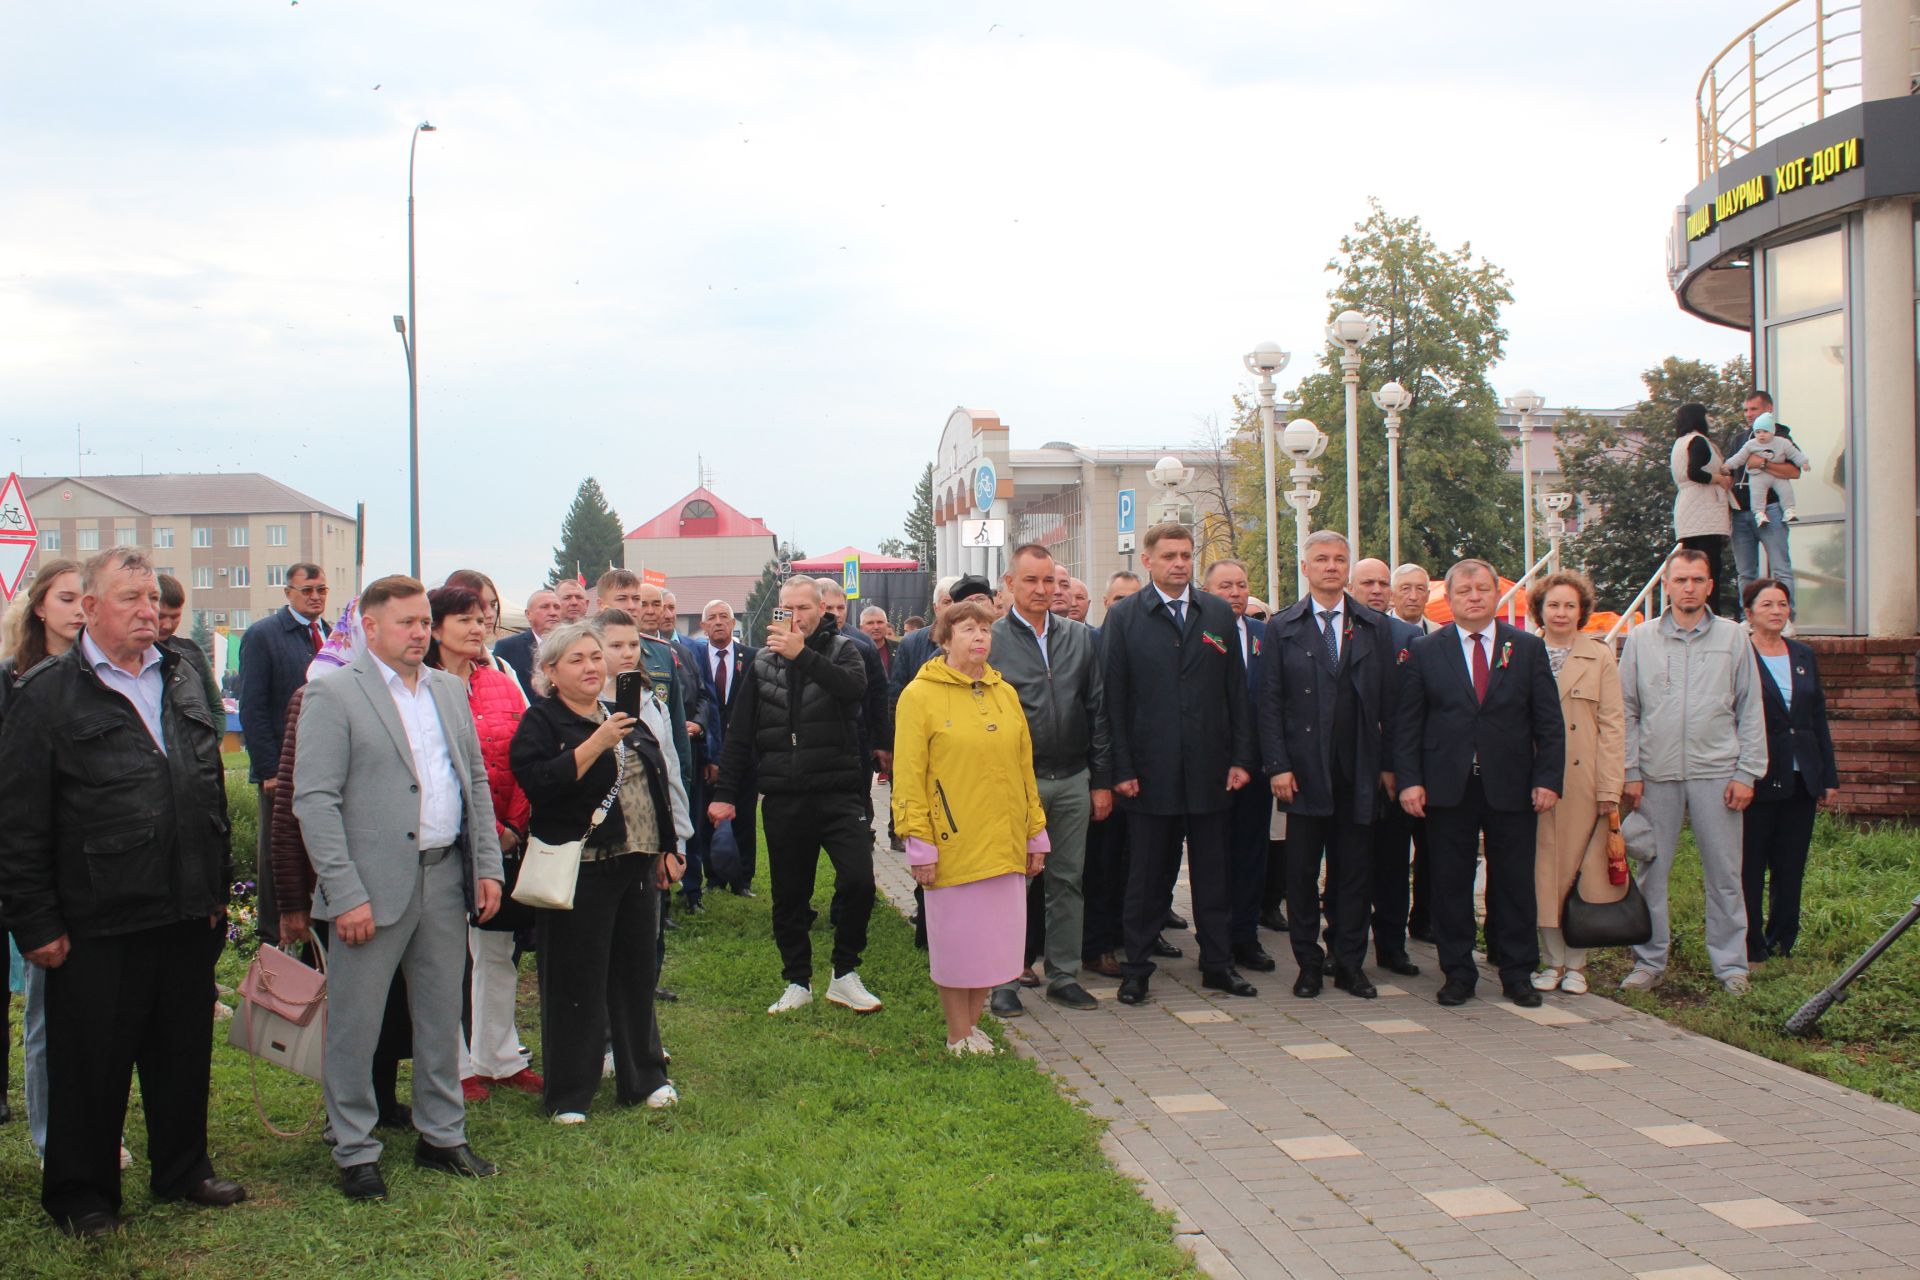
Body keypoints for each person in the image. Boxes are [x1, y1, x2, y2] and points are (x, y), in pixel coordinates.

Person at [0, 549, 246, 1236]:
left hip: (186, 905)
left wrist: (217, 888)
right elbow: (18, 821)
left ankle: (183, 1168)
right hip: (97, 916)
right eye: (131, 598)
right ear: (91, 608)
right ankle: (82, 1194)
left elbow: (205, 788)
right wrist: (36, 921)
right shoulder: (47, 692)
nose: (149, 609)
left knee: (181, 1050)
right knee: (91, 1066)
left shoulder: (183, 673)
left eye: (153, 597)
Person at [291, 575, 505, 1201]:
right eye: (406, 623)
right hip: (368, 891)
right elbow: (315, 802)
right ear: (372, 627)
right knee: (356, 1024)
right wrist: (345, 892)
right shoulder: (333, 695)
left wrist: (485, 866)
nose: (418, 633)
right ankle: (353, 1146)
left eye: (422, 622)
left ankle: (441, 1134)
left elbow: (475, 784)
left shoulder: (445, 689)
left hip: (443, 878)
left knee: (441, 1016)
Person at [511, 620, 687, 1121]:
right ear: (550, 672)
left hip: (636, 865)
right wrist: (595, 743)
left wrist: (668, 848)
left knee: (634, 976)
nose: (591, 667)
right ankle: (569, 1093)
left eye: (595, 657)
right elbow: (540, 782)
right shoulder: (542, 722)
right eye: (577, 660)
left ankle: (645, 1078)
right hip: (580, 868)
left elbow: (656, 782)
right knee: (575, 981)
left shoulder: (622, 713)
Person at [273, 604, 418, 1134]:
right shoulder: (320, 692)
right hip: (339, 878)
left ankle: (381, 1097)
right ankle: (347, 1114)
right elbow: (295, 798)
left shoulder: (412, 693)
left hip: (402, 875)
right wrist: (291, 897)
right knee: (356, 1006)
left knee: (394, 1003)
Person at [1395, 558, 1564, 1009]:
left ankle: (1516, 972)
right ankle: (1458, 972)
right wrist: (1409, 781)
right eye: (1464, 590)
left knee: (1512, 882)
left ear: (1496, 596)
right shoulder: (1426, 650)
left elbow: (1548, 722)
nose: (1474, 597)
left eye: (1482, 589)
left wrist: (1548, 778)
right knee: (1449, 882)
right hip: (1447, 786)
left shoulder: (1526, 648)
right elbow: (1408, 723)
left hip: (1512, 784)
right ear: (1448, 599)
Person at [709, 577, 882, 1015]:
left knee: (860, 881)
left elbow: (852, 690)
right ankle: (796, 980)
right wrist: (725, 793)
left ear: (822, 608)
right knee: (790, 894)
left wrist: (801, 654)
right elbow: (740, 734)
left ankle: (845, 973)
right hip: (785, 795)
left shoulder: (845, 650)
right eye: (788, 609)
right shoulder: (763, 663)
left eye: (804, 608)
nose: (796, 616)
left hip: (840, 791)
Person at [1102, 523, 1258, 1005]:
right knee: (1147, 878)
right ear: (1147, 561)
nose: (1179, 563)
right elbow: (1113, 701)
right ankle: (1137, 969)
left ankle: (1217, 965)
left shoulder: (1215, 612)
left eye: (1186, 555)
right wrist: (1121, 768)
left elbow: (1236, 691)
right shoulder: (1127, 617)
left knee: (1214, 876)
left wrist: (1241, 757)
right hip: (1150, 775)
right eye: (1169, 555)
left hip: (1211, 771)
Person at [895, 594, 1049, 1052]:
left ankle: (974, 1025)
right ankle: (956, 1033)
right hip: (952, 843)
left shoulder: (1005, 694)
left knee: (993, 946)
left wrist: (1034, 832)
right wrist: (918, 842)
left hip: (1003, 842)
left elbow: (1025, 768)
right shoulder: (919, 695)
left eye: (985, 629)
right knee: (957, 947)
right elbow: (907, 774)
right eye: (967, 629)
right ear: (944, 639)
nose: (979, 636)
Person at [1617, 549, 1767, 995]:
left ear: (1708, 585)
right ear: (1667, 584)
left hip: (1717, 773)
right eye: (1680, 580)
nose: (1688, 588)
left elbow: (1751, 708)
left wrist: (1747, 772)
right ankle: (1648, 961)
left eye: (1697, 580)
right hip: (1655, 774)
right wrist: (1630, 769)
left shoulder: (1733, 638)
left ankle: (1731, 966)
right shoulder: (1641, 638)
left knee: (1724, 873)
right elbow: (1626, 710)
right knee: (1651, 871)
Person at [1260, 533, 1398, 1000]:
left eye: (1340, 559)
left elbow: (1390, 705)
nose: (1331, 567)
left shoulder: (1374, 626)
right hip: (1302, 772)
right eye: (1322, 559)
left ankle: (1350, 961)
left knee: (1353, 871)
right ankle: (1308, 964)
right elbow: (1270, 701)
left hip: (1358, 768)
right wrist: (1277, 765)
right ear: (1305, 566)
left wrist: (1388, 765)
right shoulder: (1283, 627)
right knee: (1300, 874)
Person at [424, 584, 542, 1103]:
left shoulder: (499, 682)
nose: (478, 627)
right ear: (434, 627)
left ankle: (498, 1054)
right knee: (445, 956)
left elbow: (525, 753)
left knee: (498, 949)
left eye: (483, 617)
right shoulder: (419, 687)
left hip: (503, 837)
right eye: (464, 619)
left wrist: (513, 824)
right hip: (446, 840)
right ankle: (454, 1064)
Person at [986, 545, 1111, 1016]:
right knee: (1011, 883)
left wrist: (1100, 780)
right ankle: (1004, 979)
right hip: (1016, 784)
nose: (1043, 590)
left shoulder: (1080, 638)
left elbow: (1097, 711)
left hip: (1074, 778)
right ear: (1011, 585)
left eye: (1051, 582)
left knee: (1068, 880)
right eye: (1032, 581)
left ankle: (1064, 975)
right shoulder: (992, 640)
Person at [0, 559, 87, 1147]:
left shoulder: (100, 675)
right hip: (33, 862)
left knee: (91, 1012)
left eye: (86, 599)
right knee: (43, 1009)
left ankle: (92, 1127)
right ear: (38, 608)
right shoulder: (11, 680)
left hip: (92, 865)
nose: (80, 610)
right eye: (66, 599)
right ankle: (51, 1135)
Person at [1527, 572, 1626, 995]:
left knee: (1580, 872)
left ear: (1581, 610)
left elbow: (1613, 724)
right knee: (1541, 871)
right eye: (1553, 605)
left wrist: (1610, 788)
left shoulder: (1598, 655)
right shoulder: (1523, 649)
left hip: (1583, 780)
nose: (1561, 613)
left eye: (1569, 605)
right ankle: (1550, 961)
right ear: (1540, 610)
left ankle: (1578, 964)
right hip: (1532, 779)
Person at [1741, 579, 1839, 960]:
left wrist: (1828, 777)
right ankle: (1750, 946)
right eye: (1768, 604)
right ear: (1749, 614)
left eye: (1782, 604)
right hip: (1758, 776)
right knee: (1751, 866)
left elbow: (1817, 719)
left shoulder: (1802, 655)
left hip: (1802, 777)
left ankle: (1782, 940)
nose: (1777, 611)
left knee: (1790, 864)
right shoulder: (1740, 655)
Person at [237, 562, 330, 945]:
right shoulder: (264, 635)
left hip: (323, 761)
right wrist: (269, 768)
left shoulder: (330, 634)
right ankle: (276, 935)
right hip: (282, 766)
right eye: (307, 590)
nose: (315, 597)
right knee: (281, 850)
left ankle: (318, 924)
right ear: (288, 593)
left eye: (321, 589)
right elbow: (252, 706)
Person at [1348, 556, 1424, 978]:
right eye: (1367, 583)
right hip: (1347, 771)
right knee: (1350, 867)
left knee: (1394, 864)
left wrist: (1397, 767)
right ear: (1351, 587)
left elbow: (1410, 712)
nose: (1376, 591)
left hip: (1394, 774)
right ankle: (1346, 947)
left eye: (1382, 584)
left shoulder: (1408, 637)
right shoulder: (1337, 631)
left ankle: (1392, 946)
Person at [1202, 559, 1278, 976]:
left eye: (1242, 585)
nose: (1235, 593)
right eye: (1225, 586)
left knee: (1252, 853)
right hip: (1212, 767)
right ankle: (1214, 940)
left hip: (1258, 766)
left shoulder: (1268, 636)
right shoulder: (1199, 635)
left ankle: (1246, 936)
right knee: (1215, 857)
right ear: (1207, 591)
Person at [1081, 569, 1143, 977]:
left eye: (1133, 599)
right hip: (1104, 772)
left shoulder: (1153, 640)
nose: (1126, 607)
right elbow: (1096, 713)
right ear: (1106, 604)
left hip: (1145, 774)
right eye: (1118, 599)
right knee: (1099, 866)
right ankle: (1097, 945)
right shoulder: (1093, 644)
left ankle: (1133, 936)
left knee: (1135, 865)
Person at [683, 600, 758, 895]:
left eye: (724, 617)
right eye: (711, 617)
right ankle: (714, 877)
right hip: (707, 752)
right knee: (705, 817)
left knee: (745, 815)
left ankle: (744, 878)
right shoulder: (693, 658)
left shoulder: (752, 657)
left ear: (733, 623)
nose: (718, 622)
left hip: (745, 752)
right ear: (702, 626)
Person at [1727, 390, 1801, 611]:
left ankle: (1786, 617)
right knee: (1745, 572)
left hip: (1770, 510)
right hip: (1740, 512)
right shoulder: (1740, 439)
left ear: (1768, 409)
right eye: (1746, 410)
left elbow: (1794, 472)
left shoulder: (1781, 438)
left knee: (1780, 568)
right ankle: (1748, 617)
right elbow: (1730, 473)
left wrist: (1763, 464)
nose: (1748, 414)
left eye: (1754, 409)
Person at [1671, 402, 1734, 617]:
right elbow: (1695, 473)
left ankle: (1692, 612)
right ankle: (1710, 613)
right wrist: (1721, 479)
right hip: (1704, 509)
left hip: (1688, 509)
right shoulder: (1697, 441)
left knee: (1690, 564)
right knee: (1709, 567)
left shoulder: (1679, 443)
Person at [1723, 412, 1808, 526]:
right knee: (1757, 493)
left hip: (1776, 478)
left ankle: (1789, 510)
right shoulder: (1750, 444)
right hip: (1757, 477)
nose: (1761, 435)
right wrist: (1727, 465)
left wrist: (1804, 462)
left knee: (1786, 490)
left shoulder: (1782, 442)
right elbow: (1738, 458)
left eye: (1765, 431)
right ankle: (1759, 514)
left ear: (1772, 431)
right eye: (1758, 432)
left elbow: (1794, 454)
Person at [155, 573, 222, 713]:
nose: (167, 625)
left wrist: (212, 735)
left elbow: (215, 707)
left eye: (174, 616)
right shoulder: (130, 655)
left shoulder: (192, 652)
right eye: (160, 616)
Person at [495, 589, 560, 700]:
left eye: (557, 607)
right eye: (545, 607)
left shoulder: (572, 646)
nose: (553, 612)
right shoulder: (508, 648)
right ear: (528, 614)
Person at [1390, 563, 1439, 635]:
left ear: (1427, 596)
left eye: (1420, 589)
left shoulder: (1439, 634)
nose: (1413, 597)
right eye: (1405, 588)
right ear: (1391, 595)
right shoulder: (1375, 632)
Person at [859, 606, 896, 676]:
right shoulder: (853, 649)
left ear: (886, 625)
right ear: (861, 628)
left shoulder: (899, 648)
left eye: (880, 622)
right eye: (870, 623)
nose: (876, 627)